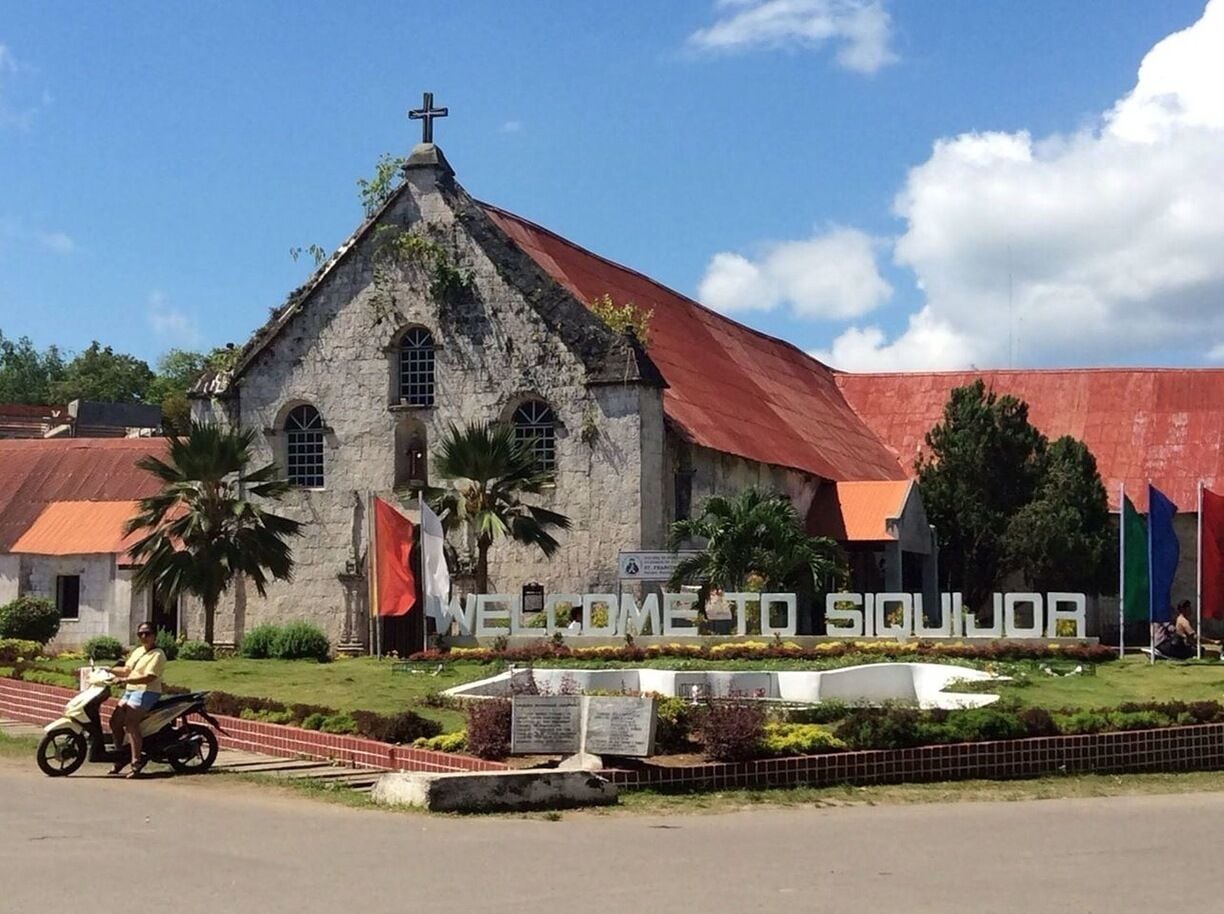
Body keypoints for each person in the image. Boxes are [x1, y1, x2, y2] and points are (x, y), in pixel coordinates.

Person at [108, 623, 167, 777]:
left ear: (154, 635)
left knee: (131, 723)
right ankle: (120, 756)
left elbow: (149, 677)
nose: (143, 637)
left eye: (147, 633)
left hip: (147, 692)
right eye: (140, 634)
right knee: (115, 721)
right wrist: (107, 669)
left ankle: (136, 761)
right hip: (131, 691)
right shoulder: (138, 651)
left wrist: (125, 680)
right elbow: (127, 669)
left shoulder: (158, 655)